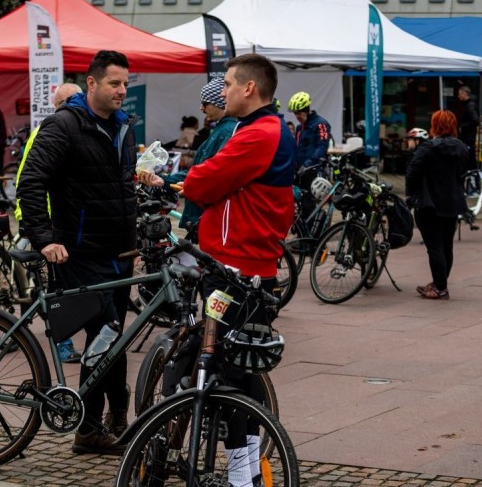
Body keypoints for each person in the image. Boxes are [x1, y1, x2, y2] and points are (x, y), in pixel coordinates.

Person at [182, 53, 295, 487]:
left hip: (235, 268)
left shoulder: (259, 134)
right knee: (238, 375)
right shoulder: (260, 129)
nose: (222, 90)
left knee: (229, 378)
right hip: (242, 262)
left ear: (250, 88)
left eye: (228, 83)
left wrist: (199, 182)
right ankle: (244, 473)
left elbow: (201, 183)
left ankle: (242, 477)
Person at [17, 51, 136, 455]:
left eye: (125, 83)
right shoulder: (64, 125)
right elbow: (31, 180)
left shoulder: (122, 127)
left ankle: (117, 418)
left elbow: (120, 184)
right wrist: (44, 238)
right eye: (114, 83)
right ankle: (88, 429)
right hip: (80, 252)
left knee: (116, 335)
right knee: (105, 335)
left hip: (121, 251)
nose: (122, 91)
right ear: (92, 83)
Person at [13, 82, 84, 364]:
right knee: (58, 287)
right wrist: (37, 227)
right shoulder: (48, 132)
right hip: (49, 222)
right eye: (60, 105)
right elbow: (27, 182)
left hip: (64, 220)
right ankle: (62, 342)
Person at [139, 77, 237, 234]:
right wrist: (164, 181)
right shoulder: (221, 130)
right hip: (206, 214)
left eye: (205, 103)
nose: (201, 108)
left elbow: (211, 174)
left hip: (208, 216)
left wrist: (172, 183)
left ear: (219, 103)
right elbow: (199, 170)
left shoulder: (225, 132)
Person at [406, 110, 470, 300]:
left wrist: (411, 193)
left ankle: (440, 288)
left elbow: (412, 171)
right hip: (452, 201)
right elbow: (465, 170)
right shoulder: (461, 148)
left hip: (429, 203)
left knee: (434, 247)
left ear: (435, 125)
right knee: (446, 245)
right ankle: (440, 282)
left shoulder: (428, 147)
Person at [288, 91, 331, 169]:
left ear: (307, 110)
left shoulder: (321, 124)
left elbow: (322, 147)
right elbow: (297, 148)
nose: (297, 116)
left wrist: (307, 165)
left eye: (299, 113)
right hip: (299, 170)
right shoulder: (299, 127)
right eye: (295, 113)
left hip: (313, 169)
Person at [456, 85, 479, 171]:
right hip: (467, 137)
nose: (458, 96)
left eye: (460, 94)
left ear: (465, 94)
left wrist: (462, 127)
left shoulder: (470, 105)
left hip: (468, 138)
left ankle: (474, 180)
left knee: (470, 160)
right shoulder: (467, 104)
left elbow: (475, 120)